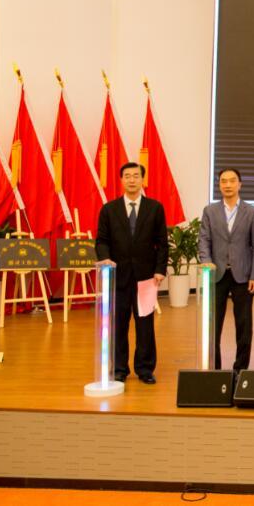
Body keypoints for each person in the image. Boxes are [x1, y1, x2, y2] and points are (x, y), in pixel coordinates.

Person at [95, 162, 168, 385]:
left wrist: (159, 269)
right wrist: (105, 259)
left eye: (136, 176)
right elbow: (101, 241)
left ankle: (145, 369)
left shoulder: (155, 208)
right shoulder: (109, 209)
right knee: (119, 325)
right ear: (121, 180)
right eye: (127, 176)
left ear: (142, 179)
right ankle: (119, 369)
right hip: (118, 277)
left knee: (145, 325)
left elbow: (162, 243)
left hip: (146, 278)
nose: (132, 180)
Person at [198, 168, 254, 374]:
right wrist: (206, 262)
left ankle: (240, 370)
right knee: (213, 326)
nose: (227, 185)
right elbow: (204, 240)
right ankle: (215, 371)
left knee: (244, 326)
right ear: (219, 185)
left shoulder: (252, 212)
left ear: (239, 184)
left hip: (243, 276)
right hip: (216, 275)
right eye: (223, 181)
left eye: (232, 181)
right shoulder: (210, 211)